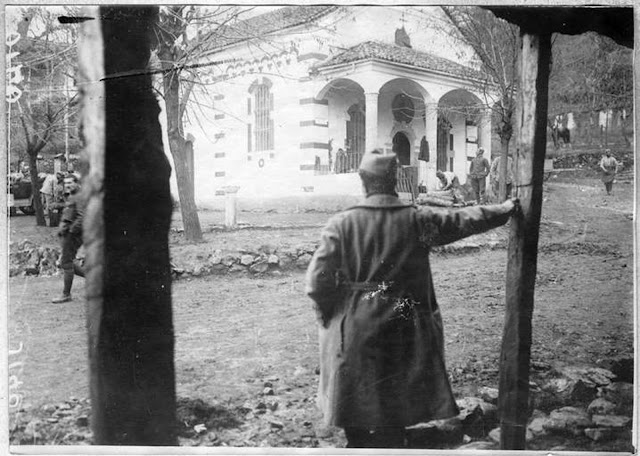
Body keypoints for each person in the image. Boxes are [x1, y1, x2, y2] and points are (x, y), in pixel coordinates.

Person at [305, 149, 518, 449]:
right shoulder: (417, 220)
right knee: (393, 414)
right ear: (394, 180)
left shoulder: (341, 224)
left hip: (353, 329)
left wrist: (331, 316)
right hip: (402, 326)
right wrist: (504, 209)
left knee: (354, 412)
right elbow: (463, 220)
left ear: (363, 182)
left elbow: (316, 282)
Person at [52, 174, 85, 303]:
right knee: (66, 262)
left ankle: (66, 295)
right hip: (68, 234)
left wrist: (71, 231)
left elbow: (82, 217)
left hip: (73, 235)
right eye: (66, 183)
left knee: (66, 262)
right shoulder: (72, 195)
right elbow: (69, 213)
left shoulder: (80, 196)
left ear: (77, 183)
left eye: (70, 182)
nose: (68, 185)